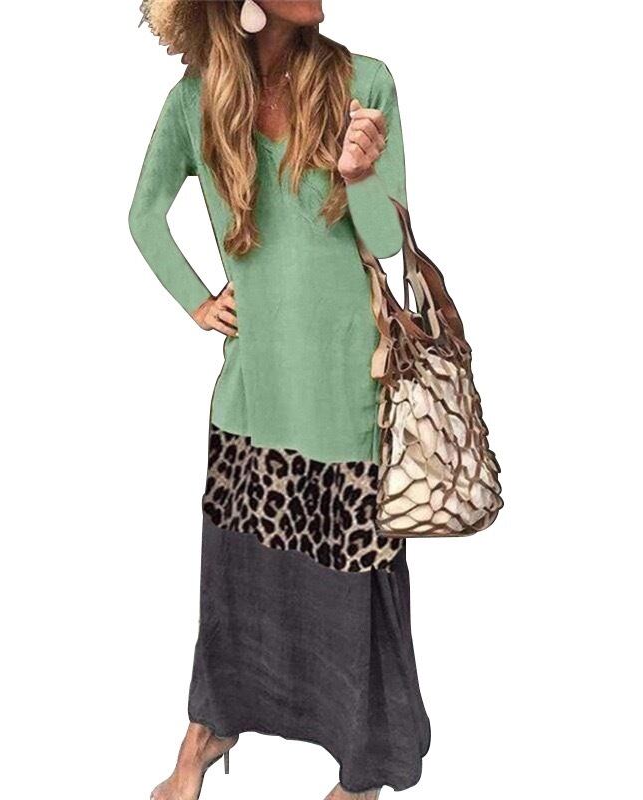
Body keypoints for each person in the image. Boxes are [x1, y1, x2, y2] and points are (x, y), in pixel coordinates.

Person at [129, 2, 430, 797]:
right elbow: (143, 215)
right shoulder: (194, 102)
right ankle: (208, 732)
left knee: (354, 591)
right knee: (236, 587)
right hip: (254, 396)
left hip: (347, 394)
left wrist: (360, 174)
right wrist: (198, 301)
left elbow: (388, 242)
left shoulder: (366, 81)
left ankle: (361, 774)